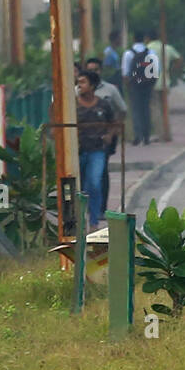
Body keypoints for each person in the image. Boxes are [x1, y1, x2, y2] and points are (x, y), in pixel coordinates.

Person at [75, 70, 117, 228]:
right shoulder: (73, 105)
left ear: (92, 86)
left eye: (83, 82)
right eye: (78, 82)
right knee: (80, 187)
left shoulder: (103, 105)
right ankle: (79, 221)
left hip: (97, 150)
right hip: (78, 151)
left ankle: (93, 222)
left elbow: (113, 123)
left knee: (94, 182)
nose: (80, 85)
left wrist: (109, 135)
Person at [122, 32, 159, 145]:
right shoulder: (151, 52)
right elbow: (157, 70)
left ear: (133, 39)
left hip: (134, 86)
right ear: (144, 39)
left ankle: (137, 136)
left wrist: (129, 85)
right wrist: (151, 84)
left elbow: (125, 73)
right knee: (146, 110)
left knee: (135, 110)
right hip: (147, 85)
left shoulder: (128, 53)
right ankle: (146, 136)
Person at [146, 29, 181, 140]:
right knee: (164, 109)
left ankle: (160, 134)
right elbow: (178, 59)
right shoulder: (167, 48)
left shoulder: (147, 49)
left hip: (152, 82)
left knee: (155, 109)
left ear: (148, 38)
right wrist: (171, 70)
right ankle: (167, 133)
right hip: (165, 82)